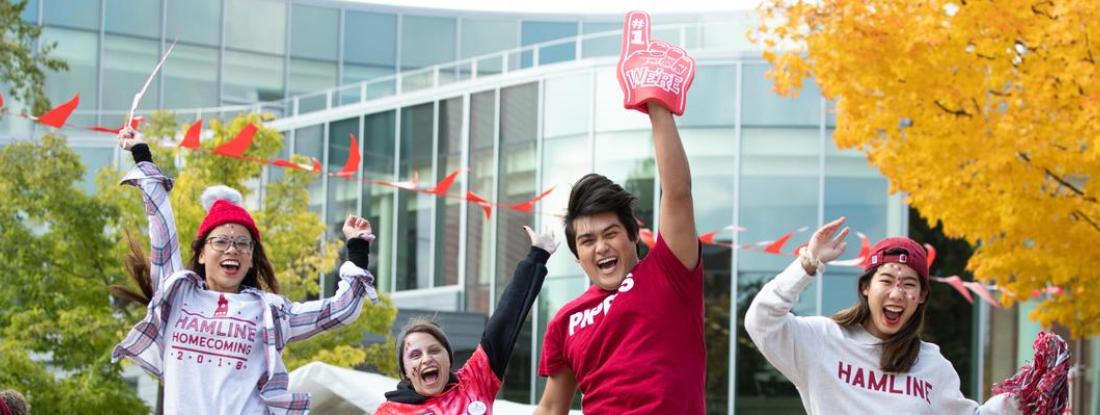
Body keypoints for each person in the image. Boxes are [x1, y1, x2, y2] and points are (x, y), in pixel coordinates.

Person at [110, 127, 379, 414]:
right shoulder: (178, 294)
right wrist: (142, 153)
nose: (232, 250)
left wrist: (357, 248)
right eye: (221, 241)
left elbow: (341, 311)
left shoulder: (269, 311)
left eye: (242, 244)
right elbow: (162, 231)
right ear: (201, 253)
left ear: (252, 259)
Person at [535, 10, 704, 415]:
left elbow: (677, 193)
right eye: (587, 240)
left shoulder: (668, 273)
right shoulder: (564, 321)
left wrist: (655, 102)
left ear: (633, 236)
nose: (601, 247)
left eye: (610, 233)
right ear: (578, 256)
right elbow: (551, 408)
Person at [745, 217, 1057, 414]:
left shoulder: (932, 364)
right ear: (866, 287)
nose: (897, 293)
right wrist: (808, 263)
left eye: (909, 284)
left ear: (921, 297)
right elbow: (761, 320)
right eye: (887, 280)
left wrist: (1018, 402)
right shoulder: (821, 340)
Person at [374, 225, 558, 414]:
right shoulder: (389, 411)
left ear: (448, 358)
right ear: (405, 371)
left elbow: (505, 320)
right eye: (415, 355)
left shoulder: (475, 380)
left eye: (434, 350)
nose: (427, 359)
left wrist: (538, 255)